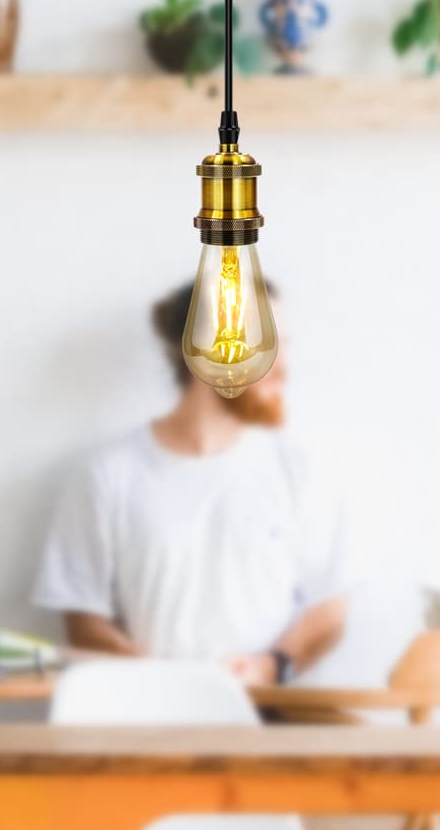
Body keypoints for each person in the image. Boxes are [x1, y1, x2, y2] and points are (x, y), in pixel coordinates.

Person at [33, 279, 351, 683]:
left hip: (267, 724)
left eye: (285, 345)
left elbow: (329, 609)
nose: (283, 367)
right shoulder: (109, 475)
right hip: (148, 723)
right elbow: (82, 619)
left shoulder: (300, 471)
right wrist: (157, 678)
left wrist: (269, 667)